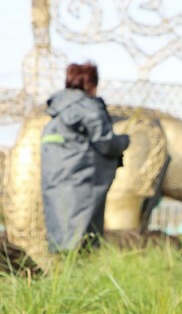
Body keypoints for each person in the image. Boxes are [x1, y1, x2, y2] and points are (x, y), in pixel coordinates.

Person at [40, 62, 129, 253]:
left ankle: (62, 279)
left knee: (62, 241)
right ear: (92, 84)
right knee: (84, 243)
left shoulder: (57, 110)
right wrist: (124, 141)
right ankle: (82, 279)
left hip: (56, 184)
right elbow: (105, 143)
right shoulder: (88, 108)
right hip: (82, 183)